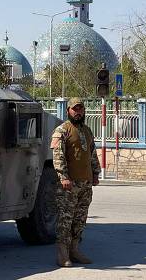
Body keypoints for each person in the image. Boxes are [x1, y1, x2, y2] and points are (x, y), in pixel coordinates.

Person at [50, 97, 100, 267]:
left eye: (80, 109)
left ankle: (75, 250)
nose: (78, 112)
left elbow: (92, 154)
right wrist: (63, 177)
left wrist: (95, 174)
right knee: (66, 218)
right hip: (69, 184)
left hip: (85, 184)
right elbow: (58, 156)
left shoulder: (87, 130)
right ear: (68, 111)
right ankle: (62, 254)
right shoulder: (62, 130)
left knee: (80, 218)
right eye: (75, 109)